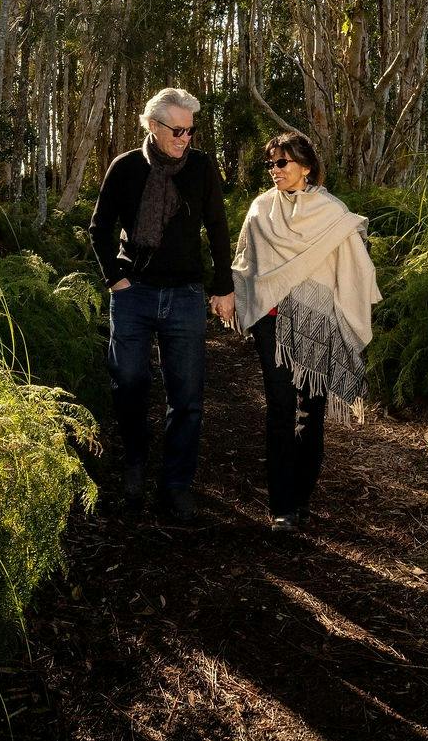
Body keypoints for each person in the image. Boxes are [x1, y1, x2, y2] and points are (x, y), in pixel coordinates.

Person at [89, 87, 235, 522]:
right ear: (153, 126)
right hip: (134, 295)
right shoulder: (126, 167)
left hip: (186, 294)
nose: (185, 138)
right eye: (177, 130)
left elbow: (218, 227)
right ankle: (134, 465)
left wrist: (222, 285)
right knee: (129, 382)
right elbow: (99, 227)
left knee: (186, 397)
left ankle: (175, 485)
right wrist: (116, 278)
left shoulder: (202, 168)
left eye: (190, 130)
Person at [230, 131, 380, 532]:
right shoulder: (260, 209)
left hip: (316, 325)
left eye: (282, 163)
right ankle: (281, 506)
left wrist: (344, 310)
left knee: (310, 411)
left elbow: (353, 268)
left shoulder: (332, 212)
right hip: (272, 322)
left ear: (306, 166)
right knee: (280, 406)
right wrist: (239, 294)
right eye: (271, 164)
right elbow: (245, 262)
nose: (274, 170)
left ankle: (301, 497)